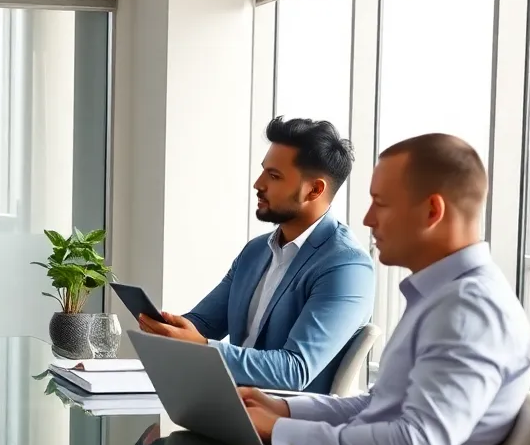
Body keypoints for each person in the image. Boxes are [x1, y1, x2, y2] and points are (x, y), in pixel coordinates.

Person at [239, 133, 530, 445]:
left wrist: (284, 430)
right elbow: (378, 406)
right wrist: (282, 407)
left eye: (382, 202)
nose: (368, 217)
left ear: (433, 211)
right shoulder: (444, 299)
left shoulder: (470, 312)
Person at [139, 117, 374, 393]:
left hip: (284, 426)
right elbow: (203, 325)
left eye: (274, 176)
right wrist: (169, 329)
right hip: (224, 406)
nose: (258, 184)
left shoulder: (346, 266)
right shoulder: (256, 251)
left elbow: (294, 370)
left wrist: (201, 347)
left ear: (314, 189)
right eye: (264, 171)